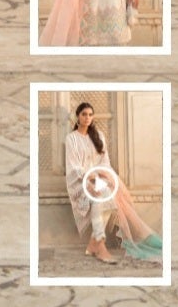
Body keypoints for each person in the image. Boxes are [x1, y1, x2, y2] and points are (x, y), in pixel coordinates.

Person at [63, 102, 162, 263]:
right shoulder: (71, 138)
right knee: (103, 195)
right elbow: (73, 167)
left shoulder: (99, 136)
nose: (87, 118)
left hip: (99, 177)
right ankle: (99, 245)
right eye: (84, 114)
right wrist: (91, 179)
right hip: (80, 182)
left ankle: (96, 244)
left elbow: (105, 163)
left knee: (108, 194)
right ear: (78, 117)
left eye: (90, 115)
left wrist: (102, 177)